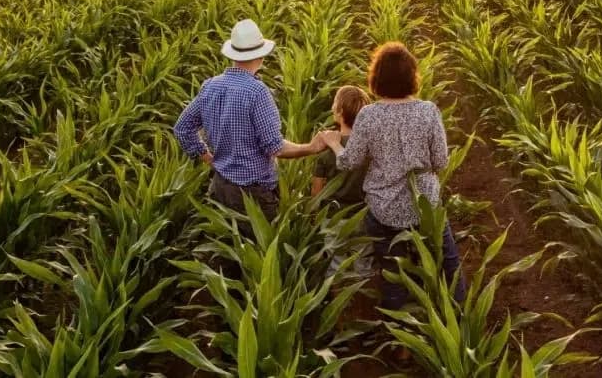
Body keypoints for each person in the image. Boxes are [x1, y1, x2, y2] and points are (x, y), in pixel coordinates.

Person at [320, 42, 467, 310]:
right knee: (449, 262)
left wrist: (334, 144)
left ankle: (398, 335)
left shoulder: (369, 115)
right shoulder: (428, 111)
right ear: (412, 77)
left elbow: (349, 162)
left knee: (392, 272)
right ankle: (458, 319)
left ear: (376, 79)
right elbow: (441, 161)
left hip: (384, 210)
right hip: (425, 208)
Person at [174, 19, 325, 221]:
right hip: (254, 196)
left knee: (227, 246)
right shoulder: (257, 92)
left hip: (220, 187)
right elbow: (275, 148)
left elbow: (182, 128)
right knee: (262, 249)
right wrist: (311, 147)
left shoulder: (210, 86)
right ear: (261, 56)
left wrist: (207, 157)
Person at [312, 85, 373, 276]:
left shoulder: (326, 152)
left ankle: (341, 301)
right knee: (363, 262)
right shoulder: (370, 148)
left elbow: (317, 194)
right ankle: (362, 301)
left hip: (333, 218)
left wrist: (313, 218)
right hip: (364, 215)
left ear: (338, 112)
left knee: (335, 264)